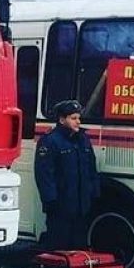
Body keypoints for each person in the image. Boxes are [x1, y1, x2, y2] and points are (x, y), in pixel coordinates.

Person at [34, 99, 100, 250]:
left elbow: (91, 168)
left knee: (79, 250)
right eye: (73, 118)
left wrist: (93, 193)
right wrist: (51, 201)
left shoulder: (83, 140)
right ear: (62, 119)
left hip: (81, 207)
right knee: (59, 248)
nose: (78, 122)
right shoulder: (50, 141)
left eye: (78, 118)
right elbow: (44, 174)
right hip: (60, 208)